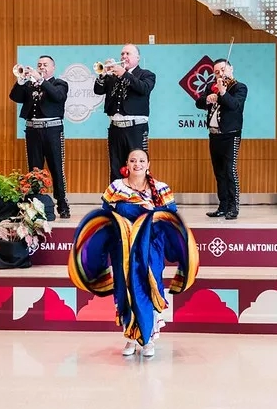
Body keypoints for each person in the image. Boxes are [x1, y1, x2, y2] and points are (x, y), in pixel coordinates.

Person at [69, 149, 199, 358]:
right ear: (127, 165)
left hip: (151, 247)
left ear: (148, 164)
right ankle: (130, 336)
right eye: (133, 160)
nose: (137, 164)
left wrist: (152, 210)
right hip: (124, 247)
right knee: (125, 287)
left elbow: (171, 217)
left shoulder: (161, 188)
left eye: (141, 160)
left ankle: (147, 339)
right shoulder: (116, 187)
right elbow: (106, 216)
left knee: (148, 286)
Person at [9, 55, 71, 218]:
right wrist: (21, 80)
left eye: (45, 65)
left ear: (53, 68)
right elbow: (15, 97)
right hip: (33, 131)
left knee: (57, 168)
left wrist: (41, 80)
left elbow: (58, 96)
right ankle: (35, 205)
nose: (42, 67)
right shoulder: (30, 85)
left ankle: (62, 204)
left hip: (52, 131)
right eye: (39, 65)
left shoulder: (60, 84)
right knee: (34, 169)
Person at [94, 44, 156, 182]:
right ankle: (116, 195)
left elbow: (144, 88)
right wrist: (103, 75)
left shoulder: (147, 74)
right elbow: (98, 90)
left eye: (128, 54)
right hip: (115, 128)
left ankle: (138, 194)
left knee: (137, 165)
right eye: (122, 54)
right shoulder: (113, 76)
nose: (124, 56)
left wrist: (123, 74)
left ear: (137, 58)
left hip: (136, 128)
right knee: (115, 166)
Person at [195, 58, 248, 220]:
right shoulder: (211, 87)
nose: (220, 74)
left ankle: (234, 207)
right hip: (214, 134)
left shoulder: (239, 87)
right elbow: (199, 103)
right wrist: (208, 99)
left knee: (230, 170)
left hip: (230, 134)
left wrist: (223, 92)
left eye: (223, 70)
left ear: (231, 69)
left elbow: (234, 105)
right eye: (216, 72)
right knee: (219, 172)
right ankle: (223, 206)